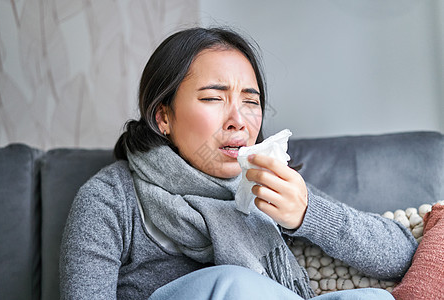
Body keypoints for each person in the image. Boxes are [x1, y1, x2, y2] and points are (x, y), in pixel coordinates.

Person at [60, 27, 417, 299]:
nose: (239, 121)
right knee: (235, 284)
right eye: (214, 97)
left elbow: (402, 255)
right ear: (163, 116)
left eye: (250, 101)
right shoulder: (111, 198)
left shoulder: (268, 182)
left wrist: (307, 213)